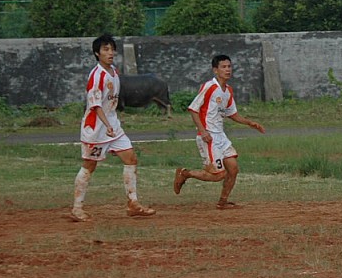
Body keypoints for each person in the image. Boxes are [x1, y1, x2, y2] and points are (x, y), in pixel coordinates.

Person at [71, 34, 156, 221]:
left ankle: (133, 203)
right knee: (89, 166)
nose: (110, 53)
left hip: (113, 126)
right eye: (106, 49)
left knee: (131, 158)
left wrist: (113, 123)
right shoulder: (96, 75)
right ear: (97, 53)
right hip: (96, 129)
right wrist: (107, 124)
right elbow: (95, 105)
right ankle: (77, 208)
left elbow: (110, 102)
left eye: (112, 49)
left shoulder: (114, 72)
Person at [173, 54, 265, 209]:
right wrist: (203, 131)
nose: (227, 70)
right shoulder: (210, 87)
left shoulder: (228, 90)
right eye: (223, 67)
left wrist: (250, 123)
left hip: (221, 136)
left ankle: (223, 202)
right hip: (208, 136)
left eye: (229, 66)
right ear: (215, 70)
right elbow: (193, 109)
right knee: (218, 175)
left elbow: (232, 113)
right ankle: (185, 173)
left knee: (233, 169)